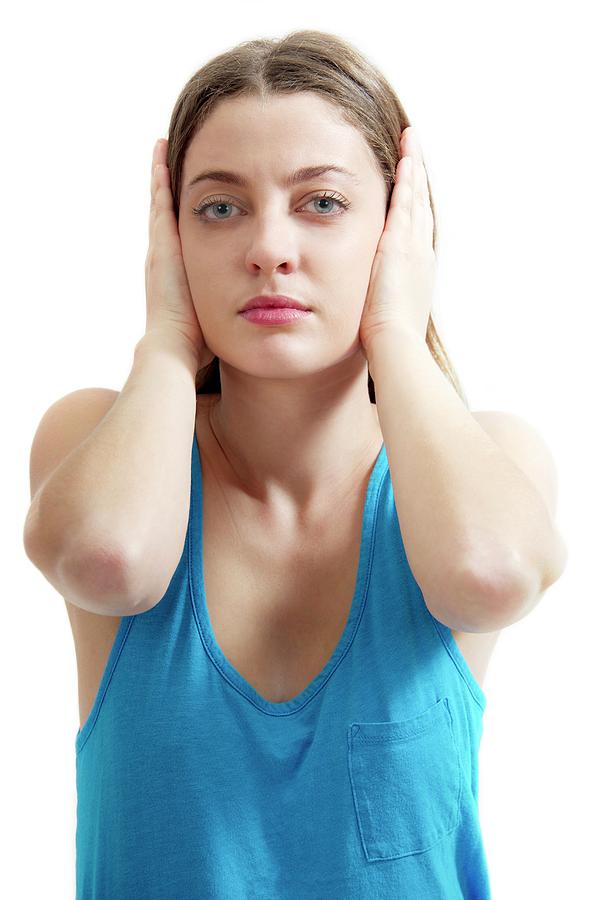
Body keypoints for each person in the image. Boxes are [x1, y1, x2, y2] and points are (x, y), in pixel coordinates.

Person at [23, 29, 567, 900]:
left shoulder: (491, 458)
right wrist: (166, 336)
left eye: (320, 204)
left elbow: (487, 574)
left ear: (397, 231)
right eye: (219, 207)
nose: (269, 247)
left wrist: (397, 331)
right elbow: (109, 560)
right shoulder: (90, 437)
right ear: (171, 240)